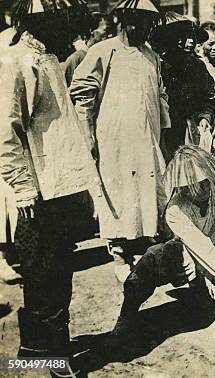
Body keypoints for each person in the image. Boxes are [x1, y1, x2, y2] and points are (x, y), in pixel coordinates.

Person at [110, 145, 215, 359]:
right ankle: (125, 318)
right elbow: (204, 250)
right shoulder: (175, 210)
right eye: (193, 185)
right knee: (155, 255)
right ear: (183, 187)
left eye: (204, 181)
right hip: (196, 258)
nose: (202, 188)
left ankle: (213, 304)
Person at [0, 0, 99, 362]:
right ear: (37, 22)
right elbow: (6, 132)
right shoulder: (17, 61)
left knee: (56, 268)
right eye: (59, 19)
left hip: (62, 182)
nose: (66, 26)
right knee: (44, 270)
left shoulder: (49, 59)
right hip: (37, 188)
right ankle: (54, 353)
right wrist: (23, 185)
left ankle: (36, 347)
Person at [70, 0, 170, 282]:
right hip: (115, 136)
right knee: (117, 189)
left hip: (147, 135)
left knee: (147, 187)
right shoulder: (103, 51)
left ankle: (143, 244)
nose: (146, 27)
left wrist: (162, 131)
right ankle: (118, 250)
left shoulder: (151, 55)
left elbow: (160, 96)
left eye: (150, 21)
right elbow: (83, 92)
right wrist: (87, 133)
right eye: (140, 20)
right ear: (125, 20)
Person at [150, 12, 215, 160]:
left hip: (191, 132)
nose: (191, 42)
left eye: (192, 37)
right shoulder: (156, 66)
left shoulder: (197, 66)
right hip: (163, 134)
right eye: (184, 37)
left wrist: (205, 117)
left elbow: (210, 99)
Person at [62, 12, 115, 86]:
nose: (110, 35)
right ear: (91, 30)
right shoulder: (76, 59)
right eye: (106, 30)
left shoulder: (110, 55)